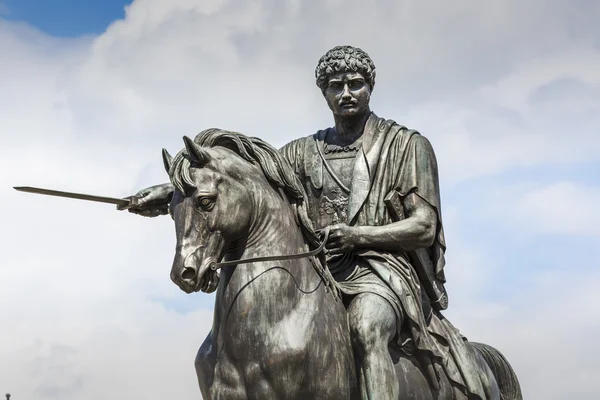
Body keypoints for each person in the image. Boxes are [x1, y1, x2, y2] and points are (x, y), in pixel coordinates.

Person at [123, 45, 487, 399]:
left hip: (380, 270)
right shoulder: (300, 153)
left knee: (366, 328)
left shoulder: (406, 145)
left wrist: (356, 236)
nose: (346, 93)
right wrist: (170, 192)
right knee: (216, 346)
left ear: (370, 87)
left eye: (355, 83)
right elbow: (236, 182)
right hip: (316, 268)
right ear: (324, 94)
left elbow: (423, 226)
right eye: (335, 86)